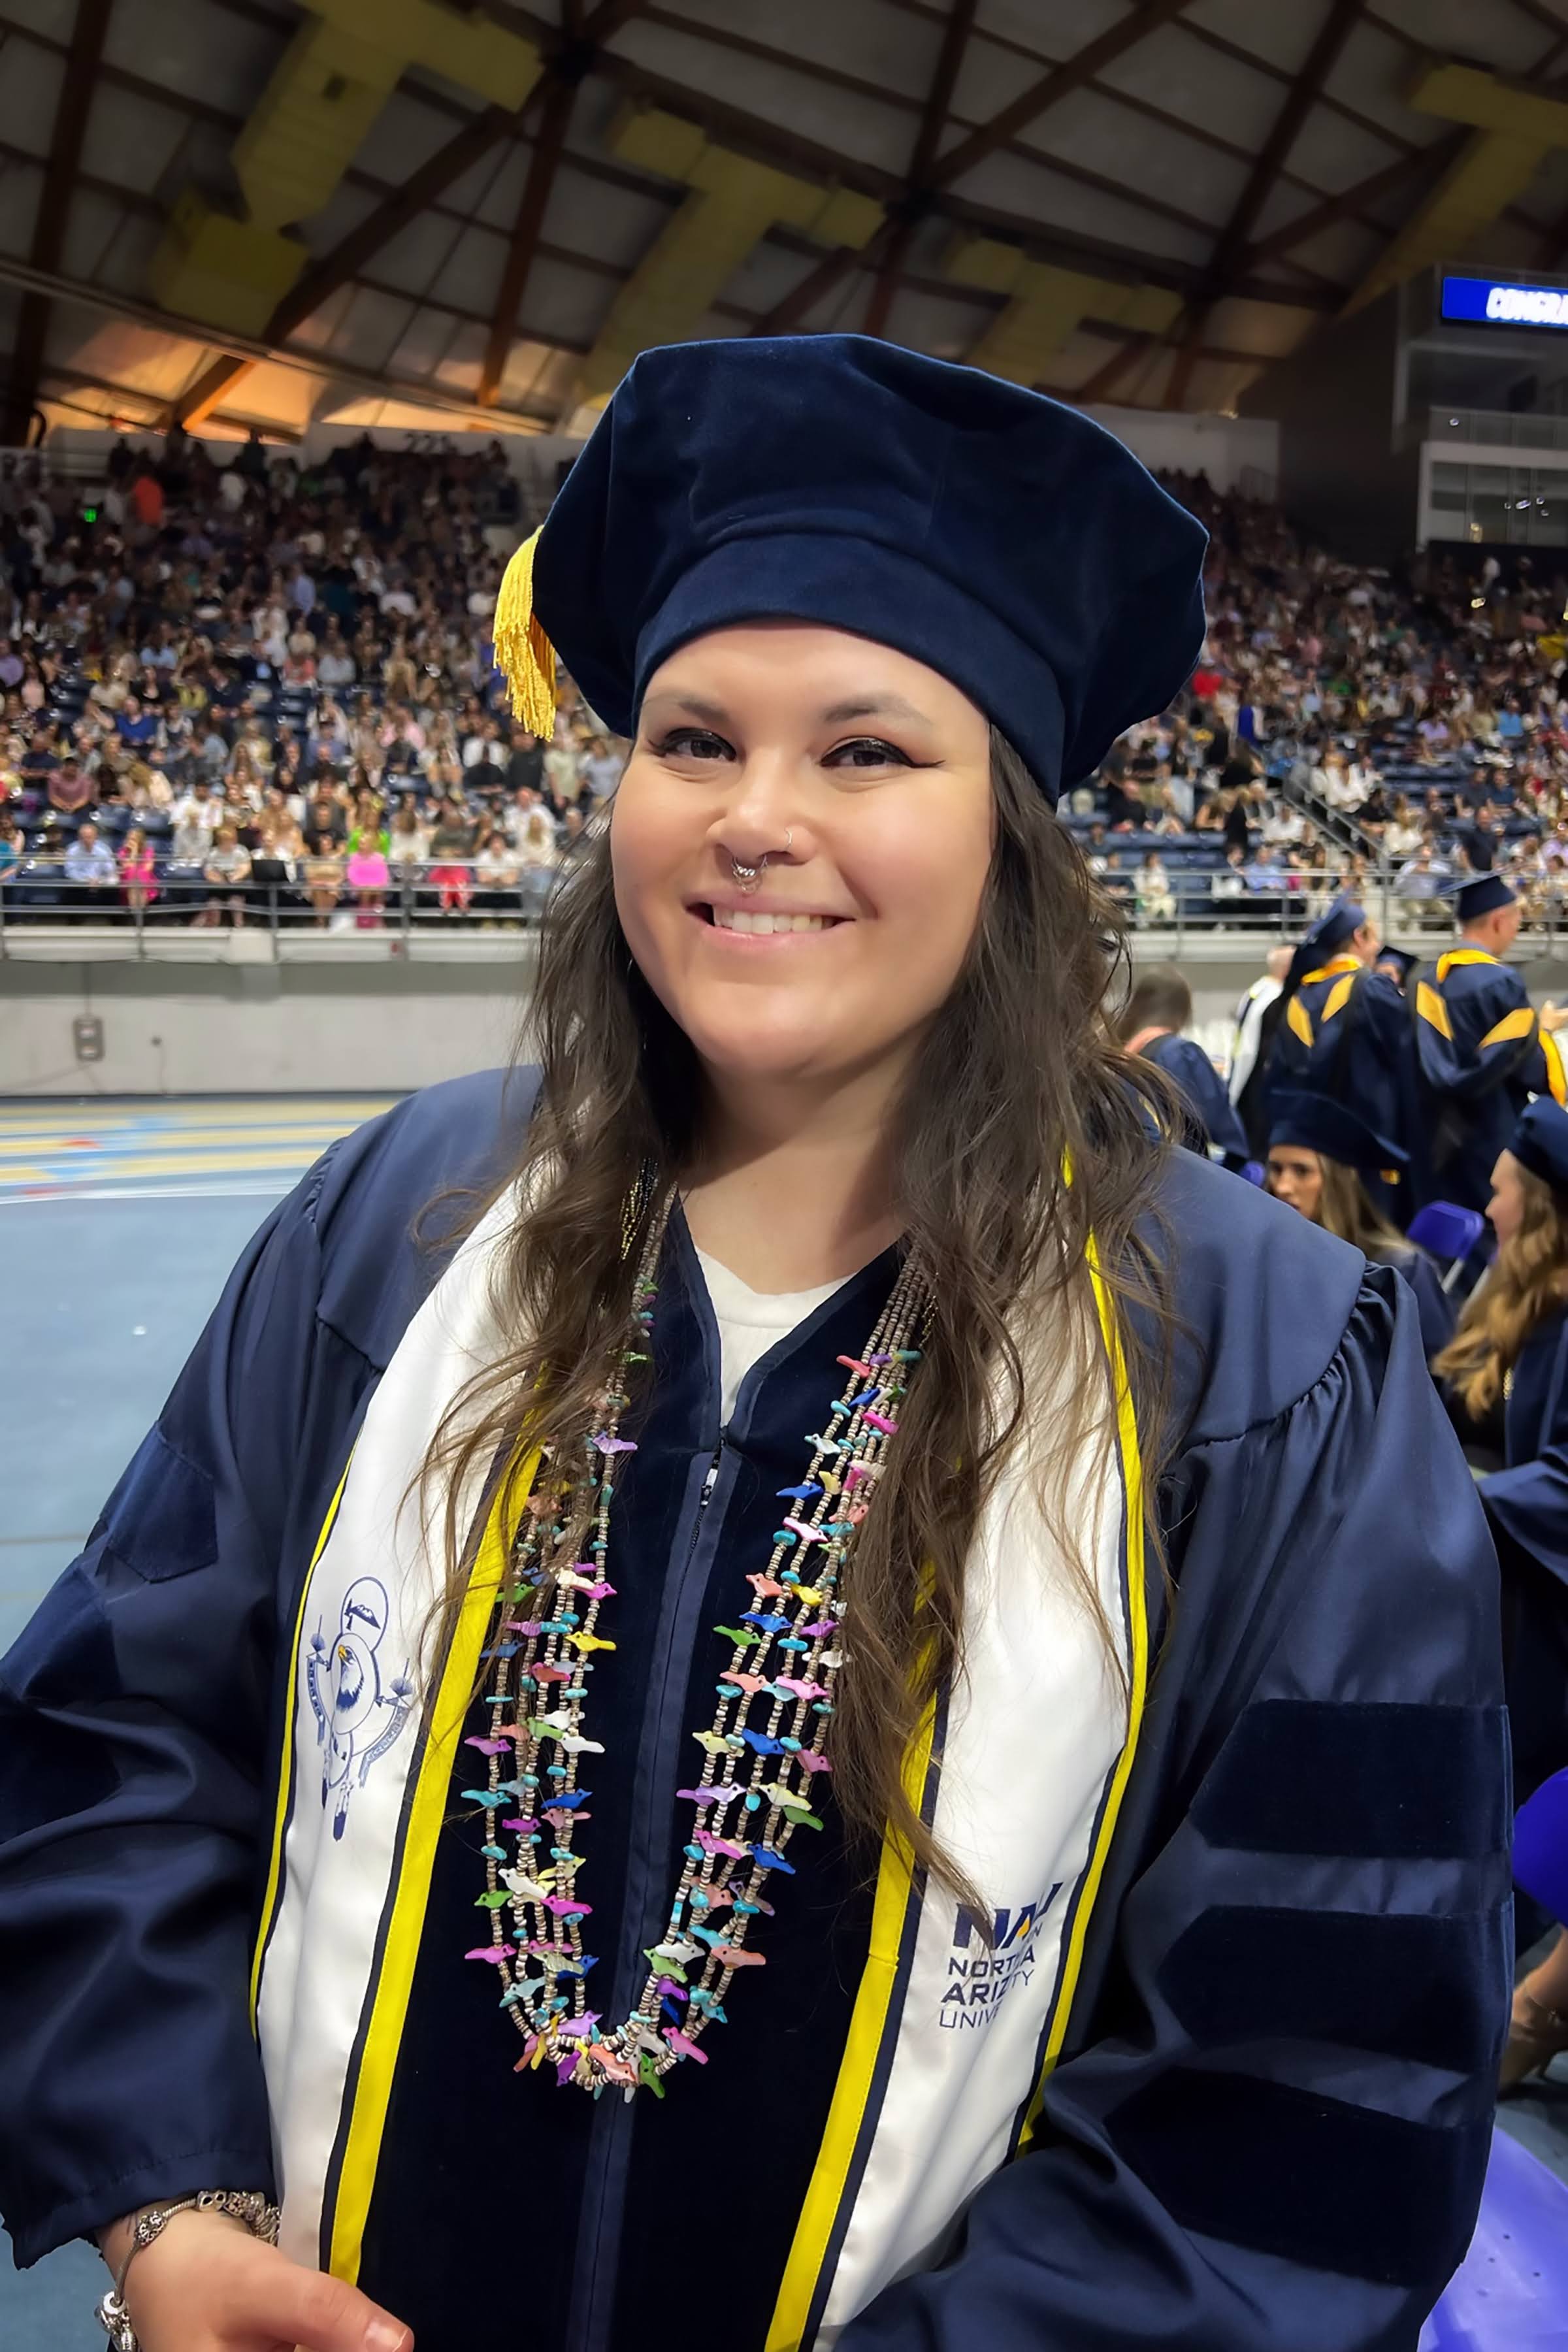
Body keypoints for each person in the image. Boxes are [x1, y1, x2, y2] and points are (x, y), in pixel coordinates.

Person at [0, 336, 1505, 2352]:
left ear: (1012, 842)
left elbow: (1310, 2084)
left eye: (866, 752)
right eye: (693, 739)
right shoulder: (402, 1234)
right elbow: (114, 1747)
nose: (752, 818)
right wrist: (165, 2214)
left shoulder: (1258, 1368)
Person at [1438, 1100, 1568, 1824]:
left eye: (1501, 1192)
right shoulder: (1524, 1305)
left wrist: (1463, 1500)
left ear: (1539, 1211)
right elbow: (1469, 1402)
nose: (1487, 1209)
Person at [1411, 874, 1568, 1217]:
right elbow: (1531, 1072)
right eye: (1516, 920)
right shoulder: (1501, 981)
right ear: (1498, 921)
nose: (1518, 928)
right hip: (1489, 1134)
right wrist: (1542, 1031)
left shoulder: (1425, 981)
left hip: (1435, 1138)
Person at [1266, 1091, 1454, 1357]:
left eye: (1302, 1171)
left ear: (1338, 1183)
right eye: (1276, 1169)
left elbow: (1436, 1374)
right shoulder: (1271, 1258)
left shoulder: (1397, 1272)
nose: (1283, 1187)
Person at [1268, 898, 1413, 1224]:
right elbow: (1406, 1066)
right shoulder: (1372, 989)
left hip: (1308, 1161)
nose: (1378, 947)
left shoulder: (1298, 1000)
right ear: (1359, 938)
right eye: (1373, 938)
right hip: (1365, 1157)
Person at [1119, 964, 1248, 1164]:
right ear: (1182, 1011)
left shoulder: (1120, 1055)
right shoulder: (1180, 1055)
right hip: (1177, 1179)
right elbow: (1222, 1127)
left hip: (1130, 1177)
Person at [1228, 943, 1293, 1158]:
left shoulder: (1255, 992)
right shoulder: (1276, 1001)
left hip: (1244, 1072)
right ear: (1288, 969)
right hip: (1259, 1082)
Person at [61, 819, 119, 916]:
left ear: (96, 837)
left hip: (101, 883)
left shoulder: (104, 850)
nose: (86, 840)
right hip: (81, 883)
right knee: (71, 888)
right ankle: (74, 922)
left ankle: (115, 921)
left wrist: (100, 881)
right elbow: (70, 872)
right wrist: (86, 881)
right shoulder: (72, 850)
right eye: (83, 837)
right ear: (79, 838)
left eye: (89, 837)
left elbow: (111, 871)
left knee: (113, 888)